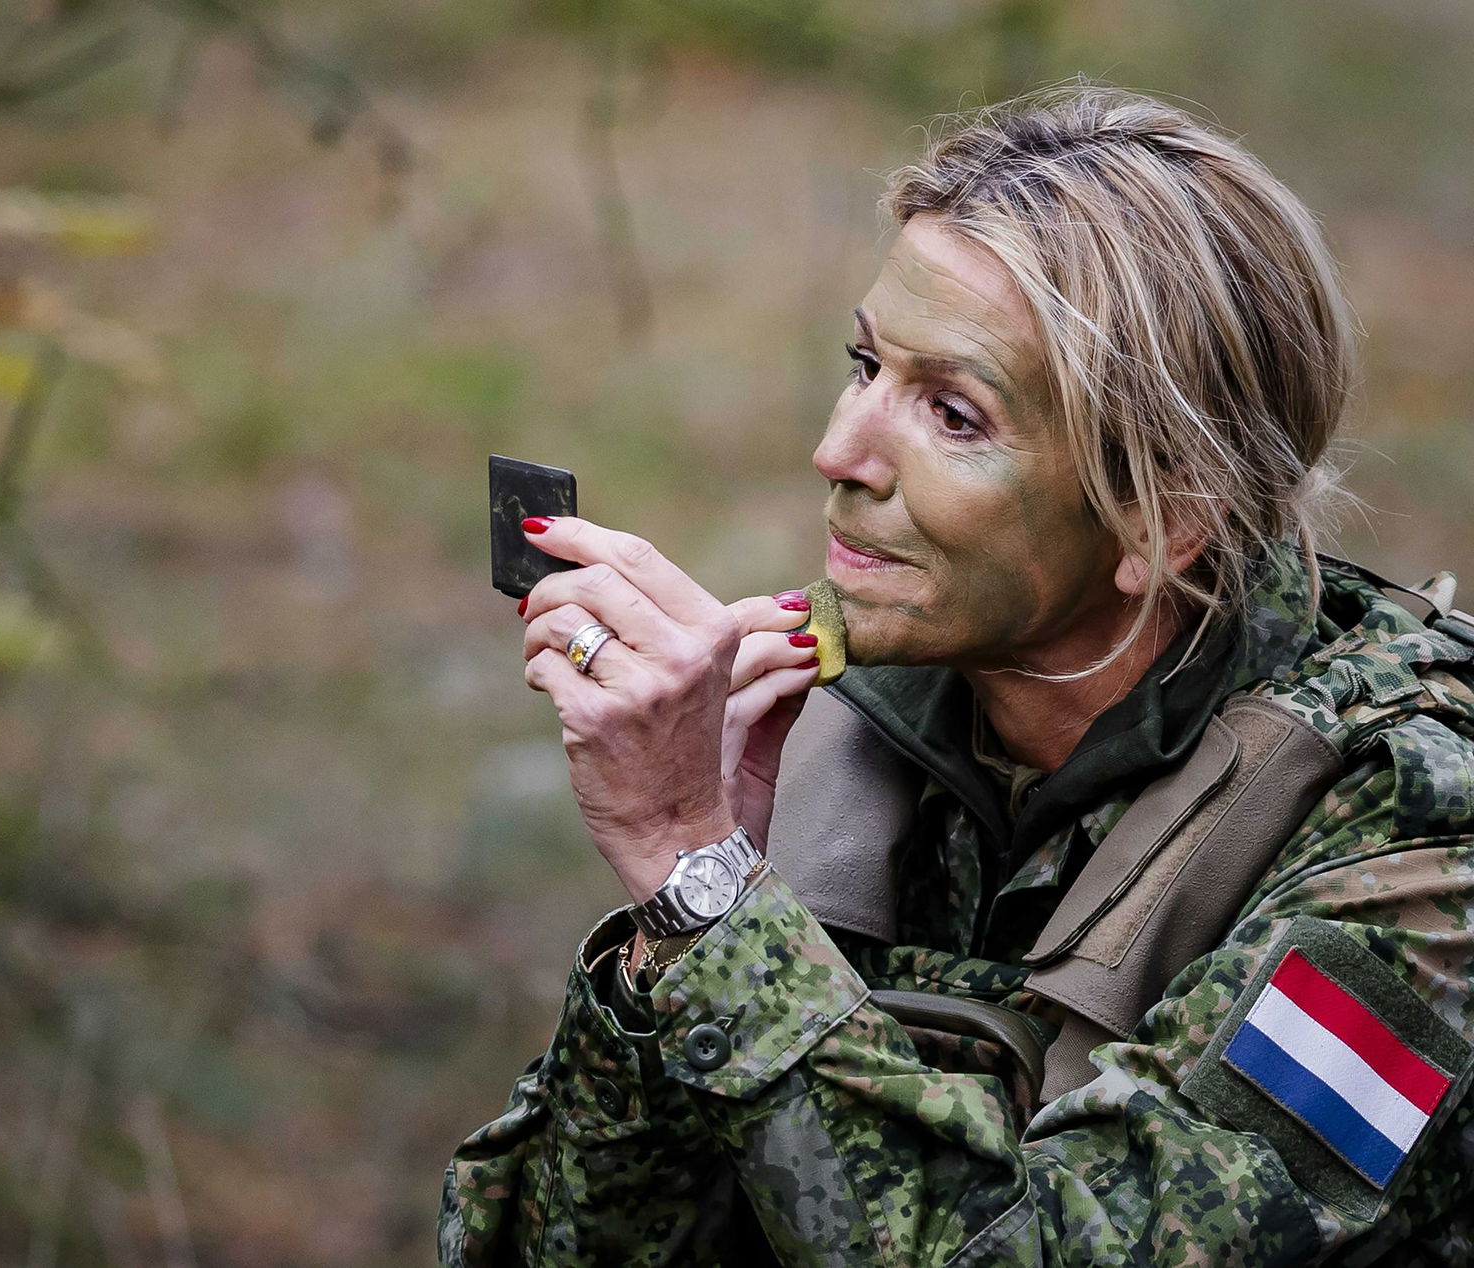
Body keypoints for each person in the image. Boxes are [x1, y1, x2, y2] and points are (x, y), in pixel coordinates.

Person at [439, 86, 1474, 1265]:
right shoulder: (842, 729)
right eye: (863, 362)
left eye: (953, 412)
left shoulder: (1415, 839)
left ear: (1159, 515)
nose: (839, 451)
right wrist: (675, 922)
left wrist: (703, 882)